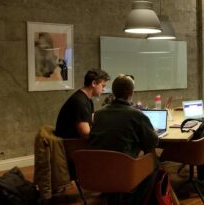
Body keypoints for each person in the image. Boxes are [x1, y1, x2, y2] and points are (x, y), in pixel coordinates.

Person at [89, 75, 159, 204]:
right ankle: (133, 201)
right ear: (131, 93)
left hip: (97, 170)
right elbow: (153, 143)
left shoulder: (98, 114)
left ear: (113, 92)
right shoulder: (136, 115)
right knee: (153, 161)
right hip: (124, 171)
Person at [55, 68, 110, 139]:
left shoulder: (87, 99)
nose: (103, 89)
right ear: (94, 83)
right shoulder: (80, 102)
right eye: (103, 86)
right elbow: (85, 133)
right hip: (71, 144)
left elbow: (92, 121)